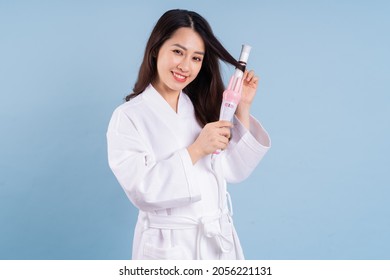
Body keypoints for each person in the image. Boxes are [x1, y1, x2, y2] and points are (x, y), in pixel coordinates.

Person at [106, 9, 271, 260]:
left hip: (217, 242)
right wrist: (196, 150)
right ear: (156, 49)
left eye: (196, 58)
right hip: (170, 248)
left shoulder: (200, 107)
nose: (185, 65)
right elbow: (142, 190)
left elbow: (233, 170)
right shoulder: (128, 116)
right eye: (177, 51)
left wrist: (243, 106)